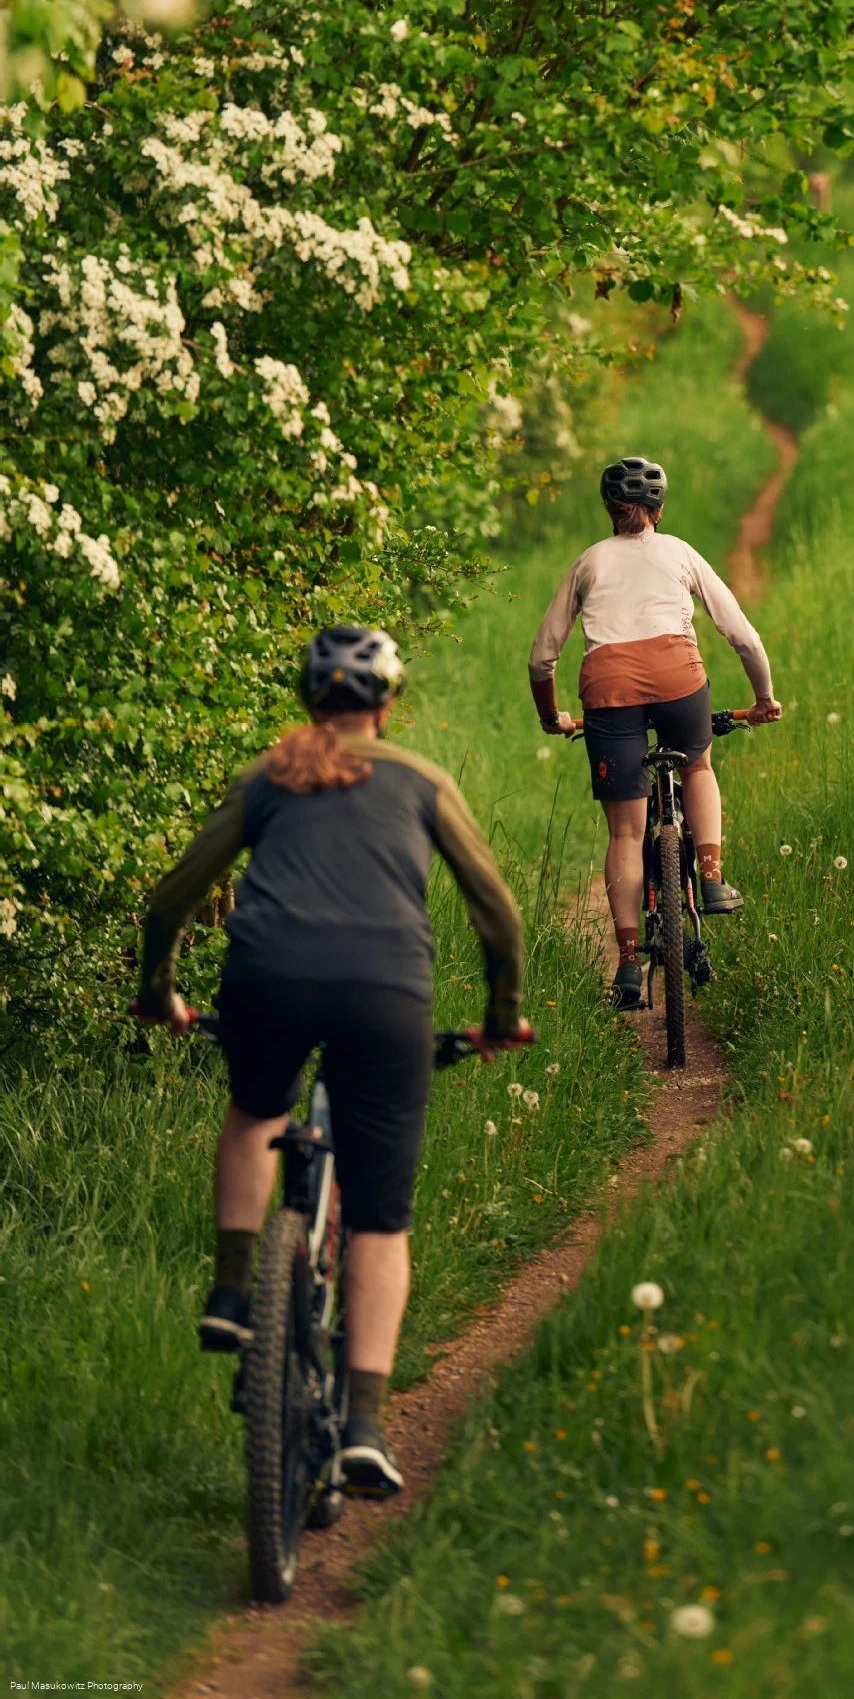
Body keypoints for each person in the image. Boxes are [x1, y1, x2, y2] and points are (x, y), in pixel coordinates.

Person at [132, 624, 529, 1498]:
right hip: (384, 994)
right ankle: (363, 1425)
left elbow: (175, 895)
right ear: (387, 705)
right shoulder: (420, 780)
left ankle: (232, 1293)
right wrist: (501, 1016)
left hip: (265, 980)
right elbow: (496, 913)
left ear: (309, 703)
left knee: (255, 1111)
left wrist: (158, 991)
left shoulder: (268, 775)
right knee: (381, 1221)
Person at [528, 456, 781, 1008]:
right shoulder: (680, 552)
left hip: (607, 692)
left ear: (609, 511)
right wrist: (762, 699)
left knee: (625, 832)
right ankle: (711, 878)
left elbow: (542, 658)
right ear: (659, 509)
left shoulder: (588, 562)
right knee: (698, 766)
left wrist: (552, 718)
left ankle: (625, 963)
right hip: (678, 681)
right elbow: (743, 636)